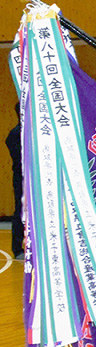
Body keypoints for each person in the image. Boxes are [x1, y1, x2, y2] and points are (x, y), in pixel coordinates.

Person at [5, 102, 22, 259]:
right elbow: (19, 160)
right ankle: (17, 248)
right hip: (21, 179)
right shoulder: (15, 134)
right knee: (20, 210)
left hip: (32, 178)